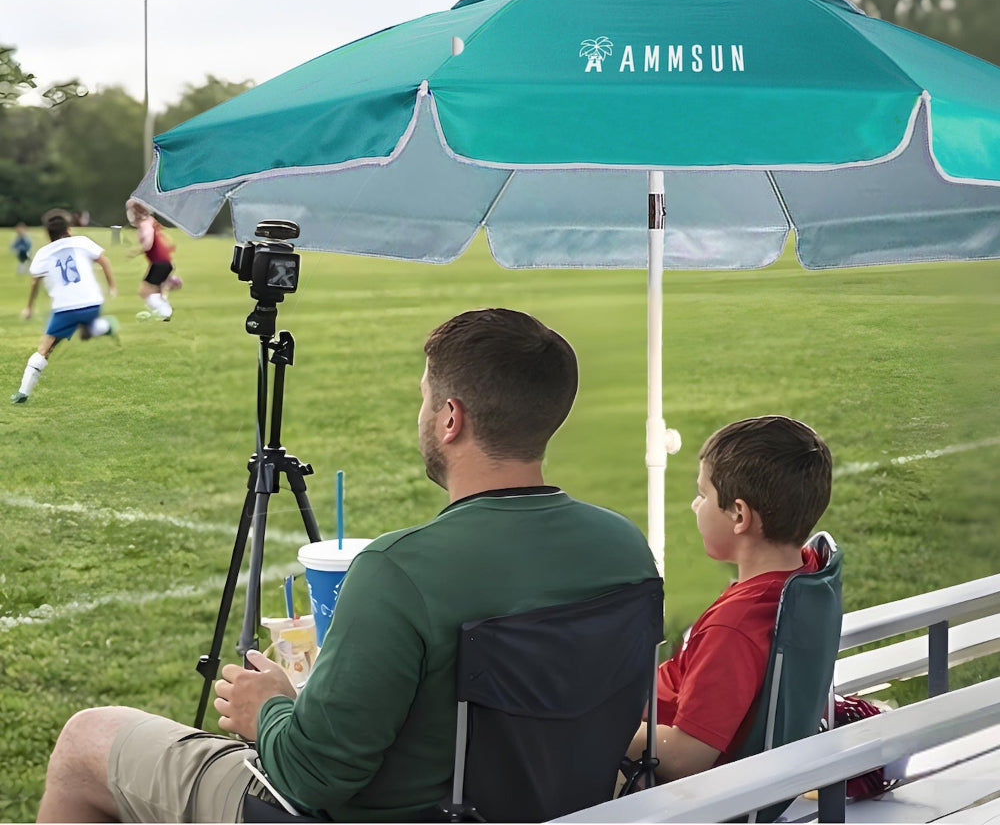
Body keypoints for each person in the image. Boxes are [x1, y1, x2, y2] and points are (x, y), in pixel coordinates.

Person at [37, 308, 659, 823]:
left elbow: (311, 779)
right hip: (554, 805)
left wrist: (269, 708)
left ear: (450, 419)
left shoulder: (401, 569)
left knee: (86, 739)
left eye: (424, 398)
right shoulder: (626, 548)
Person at [626, 415, 832, 784]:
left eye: (703, 495)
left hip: (657, 780)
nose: (694, 505)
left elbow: (685, 757)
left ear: (739, 514)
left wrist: (595, 729)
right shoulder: (804, 574)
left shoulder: (736, 628)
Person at [11, 210, 119, 405]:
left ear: (47, 233)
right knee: (86, 331)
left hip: (65, 309)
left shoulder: (43, 254)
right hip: (92, 304)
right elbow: (104, 259)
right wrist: (112, 287)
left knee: (44, 349)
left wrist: (29, 307)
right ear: (69, 229)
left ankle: (22, 393)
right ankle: (104, 326)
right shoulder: (82, 242)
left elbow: (35, 282)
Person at [125, 199, 176, 321]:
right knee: (155, 291)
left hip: (160, 263)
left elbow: (148, 243)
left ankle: (165, 312)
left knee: (144, 292)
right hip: (163, 263)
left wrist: (135, 251)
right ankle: (163, 312)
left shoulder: (145, 225)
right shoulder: (151, 221)